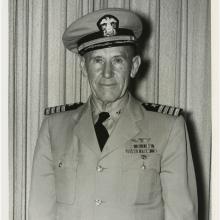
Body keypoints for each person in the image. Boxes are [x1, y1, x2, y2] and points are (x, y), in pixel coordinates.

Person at [29, 8, 198, 220]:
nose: (107, 73)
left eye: (118, 60)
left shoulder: (167, 127)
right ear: (83, 67)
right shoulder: (54, 128)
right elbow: (40, 212)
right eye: (98, 60)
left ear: (134, 66)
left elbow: (181, 214)